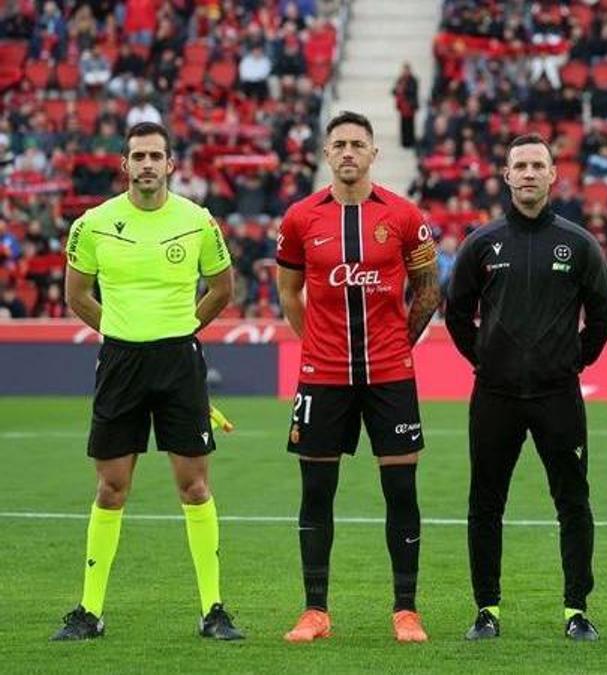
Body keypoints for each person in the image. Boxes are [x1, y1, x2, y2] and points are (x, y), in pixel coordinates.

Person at [53, 122, 241, 641]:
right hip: (120, 363)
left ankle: (214, 610)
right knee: (111, 489)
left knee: (195, 486)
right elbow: (77, 294)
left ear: (171, 164)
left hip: (179, 361)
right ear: (124, 164)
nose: (147, 165)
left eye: (156, 155)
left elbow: (223, 288)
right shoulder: (92, 224)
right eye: (138, 156)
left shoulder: (198, 221)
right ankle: (90, 612)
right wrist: (122, 332)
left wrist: (179, 332)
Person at [275, 111, 441, 644]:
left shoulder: (405, 215)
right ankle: (315, 611)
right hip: (322, 378)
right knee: (316, 491)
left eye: (358, 144)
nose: (348, 152)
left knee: (401, 490)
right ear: (326, 154)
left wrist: (398, 342)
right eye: (339, 144)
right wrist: (316, 345)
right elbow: (287, 292)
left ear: (374, 154)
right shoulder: (300, 218)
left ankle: (406, 611)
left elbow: (428, 291)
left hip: (390, 374)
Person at [445, 134, 607, 641]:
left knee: (573, 501)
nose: (527, 173)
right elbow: (456, 314)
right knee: (485, 502)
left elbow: (603, 316)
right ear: (506, 175)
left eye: (537, 165)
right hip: (494, 395)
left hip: (557, 395)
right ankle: (486, 609)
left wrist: (571, 360)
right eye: (519, 165)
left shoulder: (578, 244)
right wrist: (485, 359)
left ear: (552, 175)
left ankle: (576, 610)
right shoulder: (482, 242)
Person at [392, 62, 419, 148]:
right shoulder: (400, 79)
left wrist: (403, 89)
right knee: (403, 124)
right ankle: (404, 142)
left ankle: (411, 141)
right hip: (402, 106)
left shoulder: (413, 80)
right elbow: (393, 90)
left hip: (410, 105)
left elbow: (413, 91)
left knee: (410, 124)